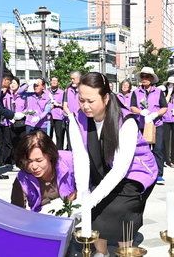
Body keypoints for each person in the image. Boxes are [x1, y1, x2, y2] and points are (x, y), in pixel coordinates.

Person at [68, 72, 157, 256]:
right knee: (94, 212)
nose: (85, 106)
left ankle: (125, 249)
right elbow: (81, 159)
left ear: (106, 98)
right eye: (81, 100)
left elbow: (120, 169)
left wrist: (91, 200)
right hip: (102, 171)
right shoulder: (76, 120)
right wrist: (84, 198)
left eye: (90, 101)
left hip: (134, 175)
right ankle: (101, 253)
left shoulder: (126, 121)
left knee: (118, 210)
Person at [10, 130, 76, 212]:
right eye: (29, 161)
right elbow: (16, 212)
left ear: (50, 155)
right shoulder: (22, 178)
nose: (34, 167)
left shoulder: (71, 160)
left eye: (39, 160)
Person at [130, 67, 167, 184]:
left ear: (151, 78)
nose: (144, 79)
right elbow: (132, 107)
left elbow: (164, 107)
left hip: (157, 124)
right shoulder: (136, 92)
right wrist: (141, 112)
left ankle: (159, 174)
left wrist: (156, 114)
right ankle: (144, 173)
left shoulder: (158, 92)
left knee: (158, 149)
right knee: (143, 150)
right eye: (142, 76)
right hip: (142, 124)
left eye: (147, 76)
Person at [63, 71, 81, 150]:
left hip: (81, 120)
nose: (72, 81)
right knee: (70, 143)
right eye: (71, 79)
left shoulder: (84, 89)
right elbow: (65, 105)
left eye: (73, 79)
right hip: (70, 119)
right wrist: (70, 115)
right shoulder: (68, 89)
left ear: (79, 78)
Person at [48, 76, 66, 150]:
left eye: (56, 81)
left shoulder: (62, 92)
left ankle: (60, 151)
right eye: (53, 80)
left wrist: (57, 104)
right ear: (50, 82)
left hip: (59, 116)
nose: (54, 82)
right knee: (49, 135)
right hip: (48, 116)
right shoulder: (47, 92)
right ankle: (49, 151)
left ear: (58, 82)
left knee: (59, 136)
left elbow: (65, 104)